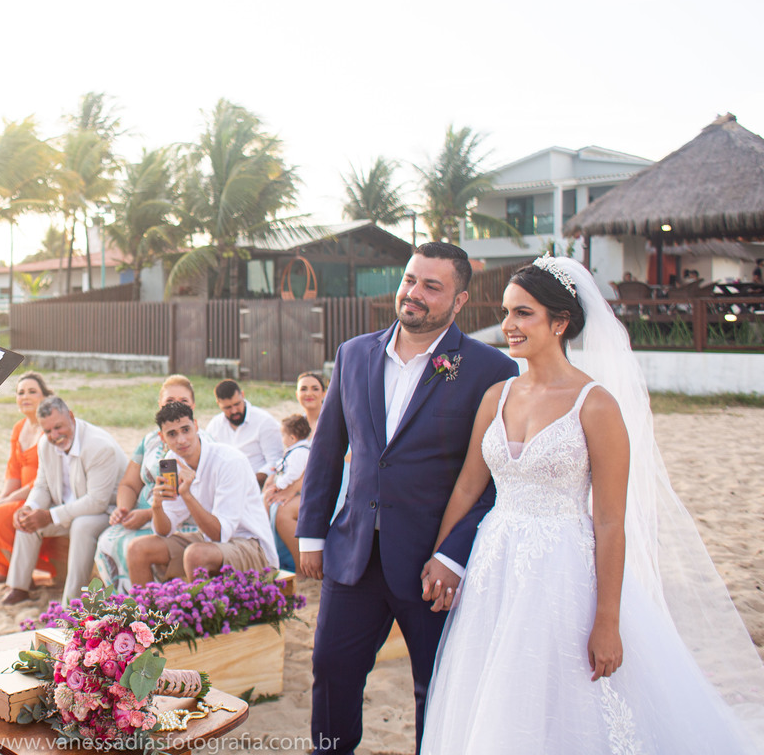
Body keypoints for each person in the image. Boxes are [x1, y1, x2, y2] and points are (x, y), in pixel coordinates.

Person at [420, 257, 764, 754]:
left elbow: (608, 520)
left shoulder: (596, 405)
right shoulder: (497, 396)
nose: (509, 325)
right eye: (507, 312)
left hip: (562, 572)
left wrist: (607, 620)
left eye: (524, 313)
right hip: (495, 567)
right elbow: (467, 487)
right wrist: (442, 555)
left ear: (560, 322)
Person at [296, 242, 519, 754]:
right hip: (353, 555)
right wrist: (311, 534)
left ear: (459, 301)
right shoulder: (354, 354)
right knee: (331, 669)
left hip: (431, 565)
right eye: (410, 280)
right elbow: (328, 449)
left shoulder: (491, 370)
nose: (414, 293)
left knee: (435, 686)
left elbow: (495, 480)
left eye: (431, 286)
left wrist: (453, 555)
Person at [126, 401, 278, 583]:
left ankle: (197, 603)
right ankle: (148, 603)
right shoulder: (173, 461)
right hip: (210, 541)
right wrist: (157, 506)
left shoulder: (229, 461)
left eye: (186, 430)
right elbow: (164, 531)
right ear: (162, 437)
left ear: (196, 426)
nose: (181, 440)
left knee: (195, 555)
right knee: (137, 548)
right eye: (172, 434)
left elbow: (219, 534)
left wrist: (187, 495)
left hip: (251, 545)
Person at [3, 395, 128, 605]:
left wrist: (50, 516)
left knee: (81, 525)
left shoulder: (99, 446)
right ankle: (18, 586)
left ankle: (71, 602)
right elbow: (42, 485)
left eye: (58, 427)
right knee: (28, 520)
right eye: (48, 431)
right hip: (69, 508)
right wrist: (30, 508)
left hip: (109, 511)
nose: (55, 435)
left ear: (71, 416)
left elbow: (97, 501)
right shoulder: (45, 444)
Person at [95, 375, 202, 593]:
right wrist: (124, 509)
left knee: (133, 546)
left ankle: (150, 604)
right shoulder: (150, 440)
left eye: (183, 401)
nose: (175, 405)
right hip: (140, 515)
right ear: (159, 404)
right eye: (169, 400)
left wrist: (147, 515)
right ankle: (124, 603)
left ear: (193, 405)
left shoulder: (193, 442)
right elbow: (129, 484)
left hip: (178, 520)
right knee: (108, 540)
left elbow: (193, 497)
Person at [0, 372, 62, 583]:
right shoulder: (19, 427)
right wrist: (3, 497)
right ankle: (5, 568)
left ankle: (22, 578)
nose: (25, 396)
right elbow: (13, 470)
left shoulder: (50, 428)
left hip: (43, 497)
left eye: (32, 392)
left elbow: (47, 479)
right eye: (20, 392)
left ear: (45, 397)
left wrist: (9, 500)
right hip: (18, 495)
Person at [205, 378, 284, 486]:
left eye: (237, 404)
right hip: (224, 484)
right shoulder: (214, 426)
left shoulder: (264, 421)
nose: (234, 411)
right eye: (227, 407)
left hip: (258, 485)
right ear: (218, 403)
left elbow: (275, 461)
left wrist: (249, 482)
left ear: (242, 395)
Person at [263, 414, 311, 567]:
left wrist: (280, 484)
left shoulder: (300, 452)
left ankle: (287, 558)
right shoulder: (295, 450)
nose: (282, 439)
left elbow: (294, 473)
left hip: (301, 490)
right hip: (294, 487)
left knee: (276, 506)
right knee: (266, 499)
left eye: (283, 435)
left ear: (292, 437)